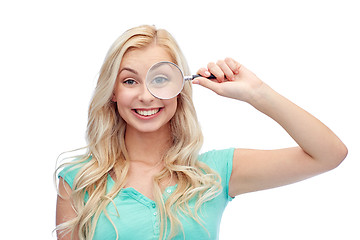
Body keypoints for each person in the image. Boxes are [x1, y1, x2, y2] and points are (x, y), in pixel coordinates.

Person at [55, 25, 347, 240]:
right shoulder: (79, 179)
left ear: (180, 88)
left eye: (160, 79)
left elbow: (329, 154)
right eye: (130, 81)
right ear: (113, 92)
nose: (146, 96)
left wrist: (256, 93)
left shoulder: (214, 173)